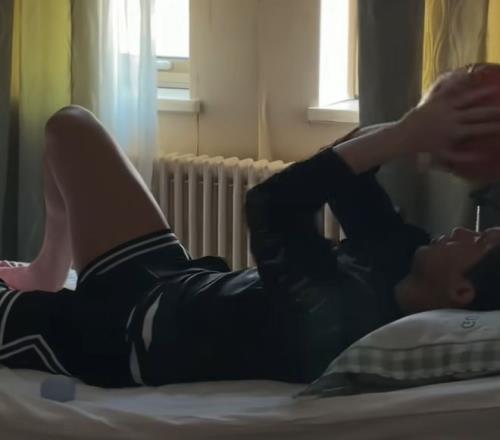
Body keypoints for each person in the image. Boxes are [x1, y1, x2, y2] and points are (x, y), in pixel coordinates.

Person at [1, 71, 500, 388]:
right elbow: (344, 171)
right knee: (70, 126)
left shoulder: (345, 318)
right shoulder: (402, 253)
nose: (462, 231)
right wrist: (420, 129)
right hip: (171, 280)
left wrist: (407, 135)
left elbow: (269, 204)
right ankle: (48, 269)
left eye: (478, 241)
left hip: (120, 333)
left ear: (461, 290)